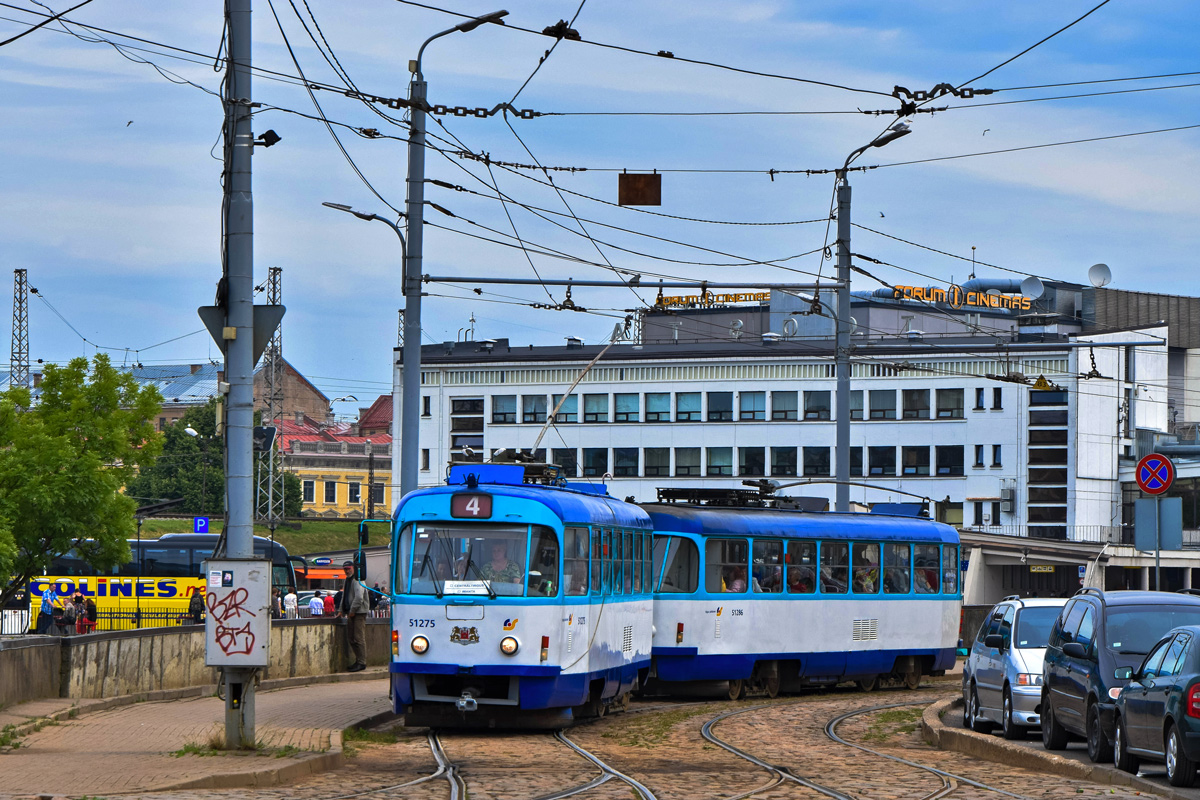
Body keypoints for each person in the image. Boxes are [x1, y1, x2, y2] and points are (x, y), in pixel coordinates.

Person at [336, 561, 369, 672]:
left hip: (358, 612)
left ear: (353, 568)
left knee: (358, 638)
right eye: (345, 569)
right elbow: (345, 596)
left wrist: (352, 610)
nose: (347, 571)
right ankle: (358, 660)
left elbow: (359, 597)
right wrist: (341, 610)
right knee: (352, 638)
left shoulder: (357, 579)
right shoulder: (348, 580)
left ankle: (362, 662)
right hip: (352, 612)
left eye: (348, 568)